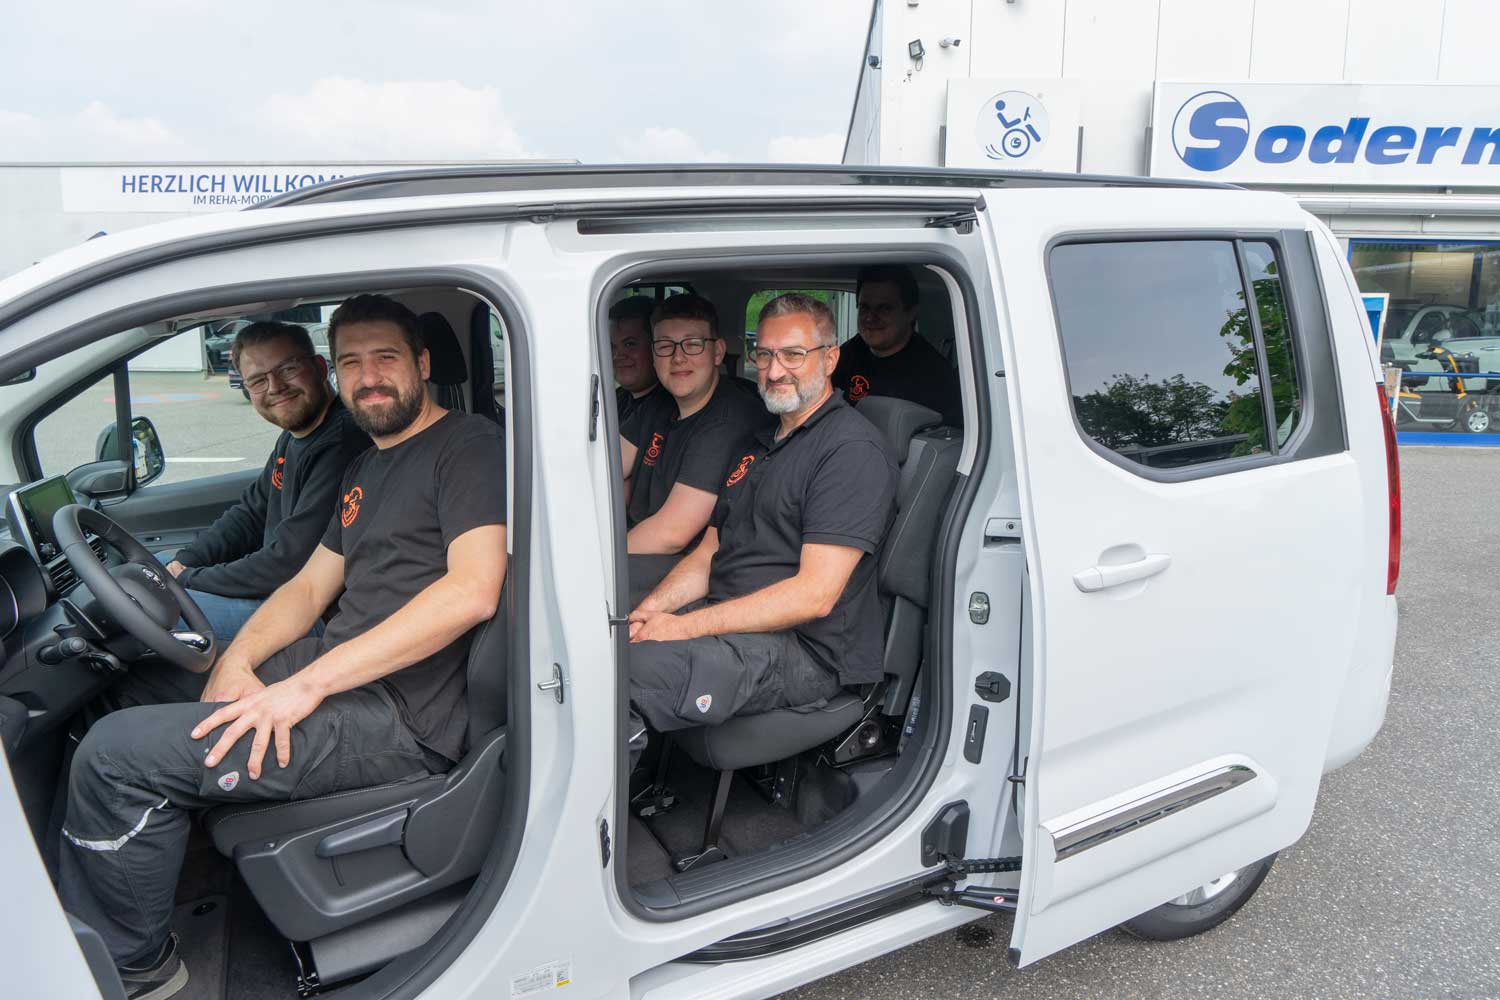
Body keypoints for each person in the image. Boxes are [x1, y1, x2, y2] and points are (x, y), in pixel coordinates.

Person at [57, 293, 507, 1000]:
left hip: (404, 717)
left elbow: (473, 590)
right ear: (335, 371)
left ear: (422, 363)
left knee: (115, 759)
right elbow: (303, 588)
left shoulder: (470, 445)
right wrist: (236, 663)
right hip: (341, 672)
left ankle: (132, 969)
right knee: (128, 693)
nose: (369, 377)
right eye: (352, 362)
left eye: (386, 357)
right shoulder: (366, 468)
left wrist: (305, 685)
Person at [625, 293, 897, 755]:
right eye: (765, 353)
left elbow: (814, 595)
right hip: (734, 619)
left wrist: (685, 628)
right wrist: (652, 612)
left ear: (830, 358)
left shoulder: (850, 452)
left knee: (619, 674)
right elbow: (710, 551)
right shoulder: (759, 443)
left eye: (793, 354)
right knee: (602, 638)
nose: (773, 371)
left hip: (805, 650)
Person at [166, 321, 370, 643]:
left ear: (319, 367)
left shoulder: (343, 442)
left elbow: (288, 561)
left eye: (287, 369)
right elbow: (250, 514)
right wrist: (185, 562)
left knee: (156, 610)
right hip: (284, 592)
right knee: (156, 571)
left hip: (318, 617)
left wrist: (190, 578)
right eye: (259, 380)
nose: (275, 387)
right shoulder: (295, 437)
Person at [621, 294, 768, 554]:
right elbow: (605, 469)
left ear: (717, 352)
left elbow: (671, 534)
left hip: (685, 565)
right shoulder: (660, 401)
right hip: (643, 543)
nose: (678, 357)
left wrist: (593, 560)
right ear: (654, 355)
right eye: (665, 346)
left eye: (692, 344)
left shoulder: (729, 419)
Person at [832, 264, 962, 426]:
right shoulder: (849, 353)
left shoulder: (935, 377)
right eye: (865, 308)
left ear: (911, 313)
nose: (870, 318)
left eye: (884, 308)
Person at [611, 295, 666, 423]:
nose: (617, 355)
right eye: (612, 346)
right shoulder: (614, 398)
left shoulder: (669, 410)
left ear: (656, 346)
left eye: (630, 344)